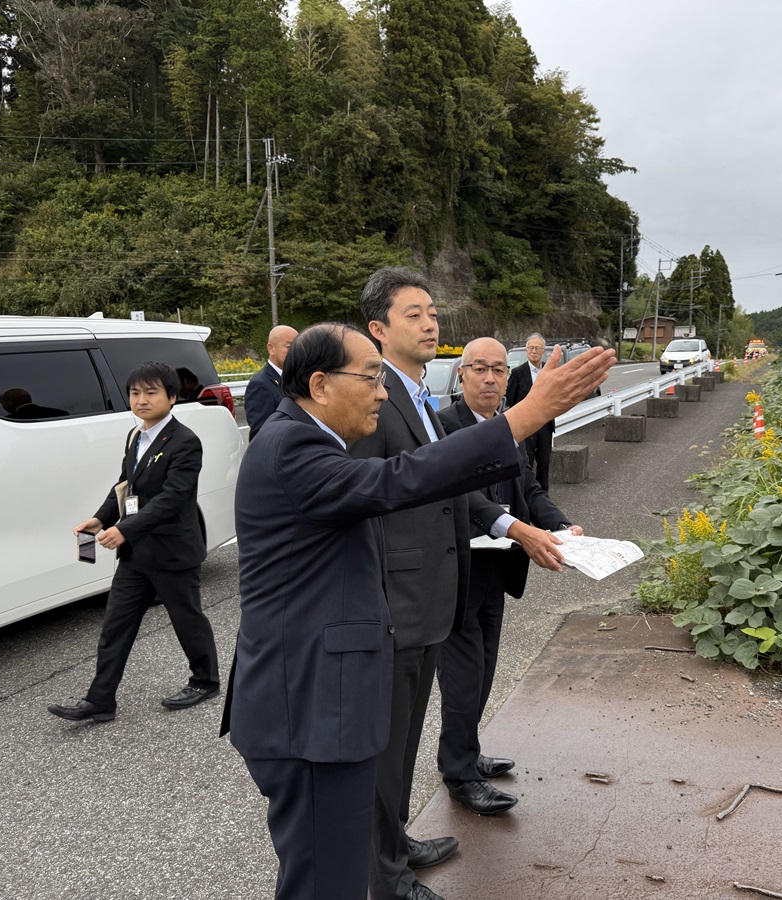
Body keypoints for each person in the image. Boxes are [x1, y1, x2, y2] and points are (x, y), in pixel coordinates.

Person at [220, 322, 614, 900]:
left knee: (337, 871)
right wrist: (523, 416)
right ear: (321, 384)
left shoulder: (308, 440)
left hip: (322, 703)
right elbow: (402, 479)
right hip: (308, 712)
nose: (383, 392)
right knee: (325, 881)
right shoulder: (290, 447)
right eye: (372, 377)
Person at [349, 267, 490, 900]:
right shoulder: (373, 399)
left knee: (404, 739)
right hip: (397, 600)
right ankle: (384, 875)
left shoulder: (421, 395)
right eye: (414, 314)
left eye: (433, 312)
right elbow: (370, 501)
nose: (431, 323)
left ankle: (395, 840)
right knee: (384, 745)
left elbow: (446, 489)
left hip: (433, 593)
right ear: (377, 329)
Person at [436, 338, 581, 816]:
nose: (491, 379)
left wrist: (560, 525)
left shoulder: (508, 428)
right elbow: (457, 497)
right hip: (456, 570)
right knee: (463, 675)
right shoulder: (441, 426)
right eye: (479, 369)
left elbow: (528, 487)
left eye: (499, 369)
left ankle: (468, 752)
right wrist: (522, 530)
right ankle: (459, 773)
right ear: (461, 375)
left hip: (498, 565)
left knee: (485, 668)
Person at [48, 361, 220, 723]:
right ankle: (100, 700)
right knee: (115, 625)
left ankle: (205, 680)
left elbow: (173, 498)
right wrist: (100, 519)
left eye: (151, 392)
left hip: (172, 550)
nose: (141, 400)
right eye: (135, 393)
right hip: (137, 553)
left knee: (186, 619)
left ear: (171, 398)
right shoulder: (135, 437)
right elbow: (125, 486)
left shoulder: (186, 442)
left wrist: (126, 529)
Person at [505, 332, 555, 491]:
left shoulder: (550, 370)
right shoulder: (518, 372)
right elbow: (511, 400)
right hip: (526, 425)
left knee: (544, 462)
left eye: (537, 348)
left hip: (545, 424)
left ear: (543, 351)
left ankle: (544, 496)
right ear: (526, 351)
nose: (534, 351)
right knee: (526, 462)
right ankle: (526, 496)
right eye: (531, 348)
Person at [245, 324, 298, 440]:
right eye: (289, 347)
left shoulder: (297, 378)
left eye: (297, 346)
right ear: (271, 348)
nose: (295, 351)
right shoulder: (260, 384)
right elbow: (260, 434)